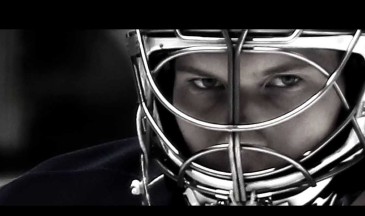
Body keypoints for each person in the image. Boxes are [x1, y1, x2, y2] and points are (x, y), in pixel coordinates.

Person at [0, 29, 365, 206]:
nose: (235, 122)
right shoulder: (51, 198)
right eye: (205, 82)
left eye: (285, 81)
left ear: (354, 89)